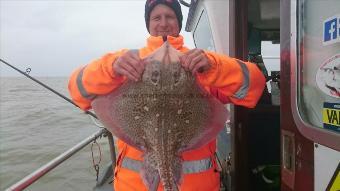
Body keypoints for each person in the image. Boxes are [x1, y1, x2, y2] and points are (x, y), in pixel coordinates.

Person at [68, 0, 266, 190]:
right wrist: (110, 68)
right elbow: (76, 93)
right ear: (148, 23)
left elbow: (254, 88)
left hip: (196, 187)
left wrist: (214, 67)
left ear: (178, 22)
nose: (163, 23)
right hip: (133, 187)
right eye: (156, 18)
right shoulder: (128, 63)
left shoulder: (199, 63)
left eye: (170, 16)